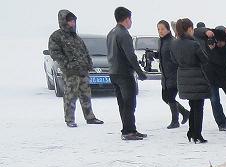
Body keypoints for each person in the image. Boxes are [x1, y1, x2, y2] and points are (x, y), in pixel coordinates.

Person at [48, 10, 103, 128]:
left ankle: (90, 117)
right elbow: (55, 53)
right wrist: (68, 64)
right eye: (70, 21)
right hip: (70, 72)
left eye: (74, 21)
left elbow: (85, 51)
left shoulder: (76, 37)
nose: (73, 23)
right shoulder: (56, 36)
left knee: (86, 95)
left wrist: (89, 63)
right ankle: (69, 119)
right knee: (70, 96)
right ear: (64, 21)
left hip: (83, 71)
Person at [107, 7, 146, 140]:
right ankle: (128, 131)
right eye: (130, 19)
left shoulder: (111, 33)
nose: (131, 22)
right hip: (124, 74)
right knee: (129, 103)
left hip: (113, 72)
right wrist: (140, 72)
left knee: (122, 103)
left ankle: (129, 129)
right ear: (127, 19)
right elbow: (131, 56)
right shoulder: (123, 34)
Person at [172, 18, 210, 143]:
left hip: (183, 76)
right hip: (196, 77)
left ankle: (191, 132)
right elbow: (204, 59)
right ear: (189, 29)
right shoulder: (194, 44)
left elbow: (173, 60)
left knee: (193, 106)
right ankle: (197, 134)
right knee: (198, 107)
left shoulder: (174, 44)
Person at [155, 20, 189, 129]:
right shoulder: (161, 41)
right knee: (165, 98)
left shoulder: (172, 41)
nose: (160, 31)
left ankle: (175, 121)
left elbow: (177, 57)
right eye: (159, 29)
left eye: (163, 29)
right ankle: (185, 113)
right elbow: (163, 55)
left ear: (168, 29)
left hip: (174, 74)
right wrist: (155, 55)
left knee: (170, 97)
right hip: (165, 76)